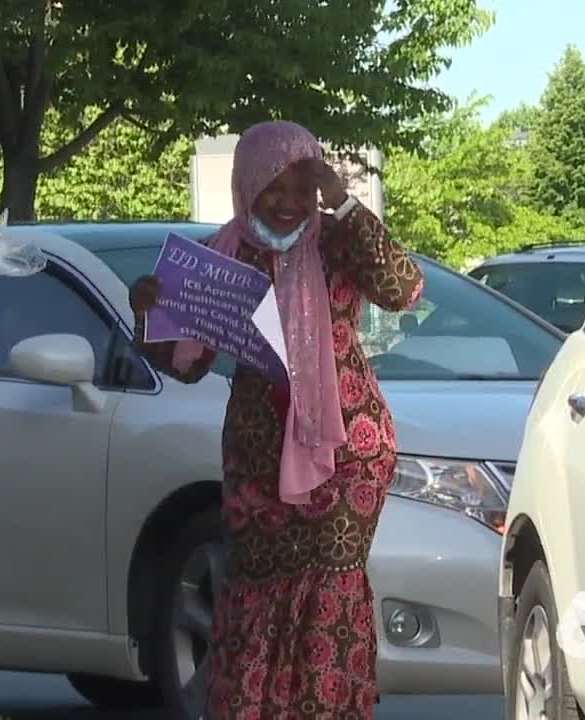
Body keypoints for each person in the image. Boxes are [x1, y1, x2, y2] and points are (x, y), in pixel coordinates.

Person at [130, 122, 423, 719]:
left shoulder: (335, 241)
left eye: (302, 188)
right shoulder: (224, 254)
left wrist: (343, 201)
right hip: (257, 455)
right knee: (258, 595)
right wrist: (149, 313)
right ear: (246, 186)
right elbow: (186, 365)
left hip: (347, 452)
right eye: (273, 188)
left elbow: (403, 287)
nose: (290, 203)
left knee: (328, 590)